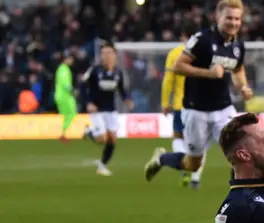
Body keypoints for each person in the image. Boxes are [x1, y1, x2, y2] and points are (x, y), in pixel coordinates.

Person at [143, 0, 253, 187]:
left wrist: (243, 86)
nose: (233, 23)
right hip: (196, 110)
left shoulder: (237, 46)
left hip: (223, 109)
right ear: (217, 17)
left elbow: (238, 68)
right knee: (193, 165)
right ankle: (162, 158)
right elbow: (178, 66)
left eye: (237, 19)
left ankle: (241, 200)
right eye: (229, 18)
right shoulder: (202, 39)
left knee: (242, 153)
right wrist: (208, 73)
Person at [82, 42, 134, 176]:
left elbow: (121, 89)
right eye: (103, 54)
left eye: (109, 53)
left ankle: (102, 166)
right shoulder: (94, 70)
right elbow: (82, 86)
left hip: (111, 109)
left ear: (115, 55)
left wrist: (127, 99)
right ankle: (89, 132)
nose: (106, 56)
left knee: (112, 139)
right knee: (101, 139)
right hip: (97, 109)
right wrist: (88, 103)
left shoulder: (118, 72)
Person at [161, 26, 196, 187]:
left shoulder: (175, 53)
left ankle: (183, 164)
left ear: (183, 36)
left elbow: (168, 80)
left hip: (180, 104)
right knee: (198, 141)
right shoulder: (205, 53)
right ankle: (195, 178)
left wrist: (164, 102)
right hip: (201, 104)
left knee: (178, 137)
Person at [54, 53, 77, 143]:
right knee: (70, 114)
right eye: (71, 59)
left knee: (68, 115)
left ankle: (64, 134)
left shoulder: (62, 68)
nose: (72, 61)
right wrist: (72, 90)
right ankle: (63, 134)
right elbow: (65, 84)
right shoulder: (64, 69)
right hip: (65, 96)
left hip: (63, 96)